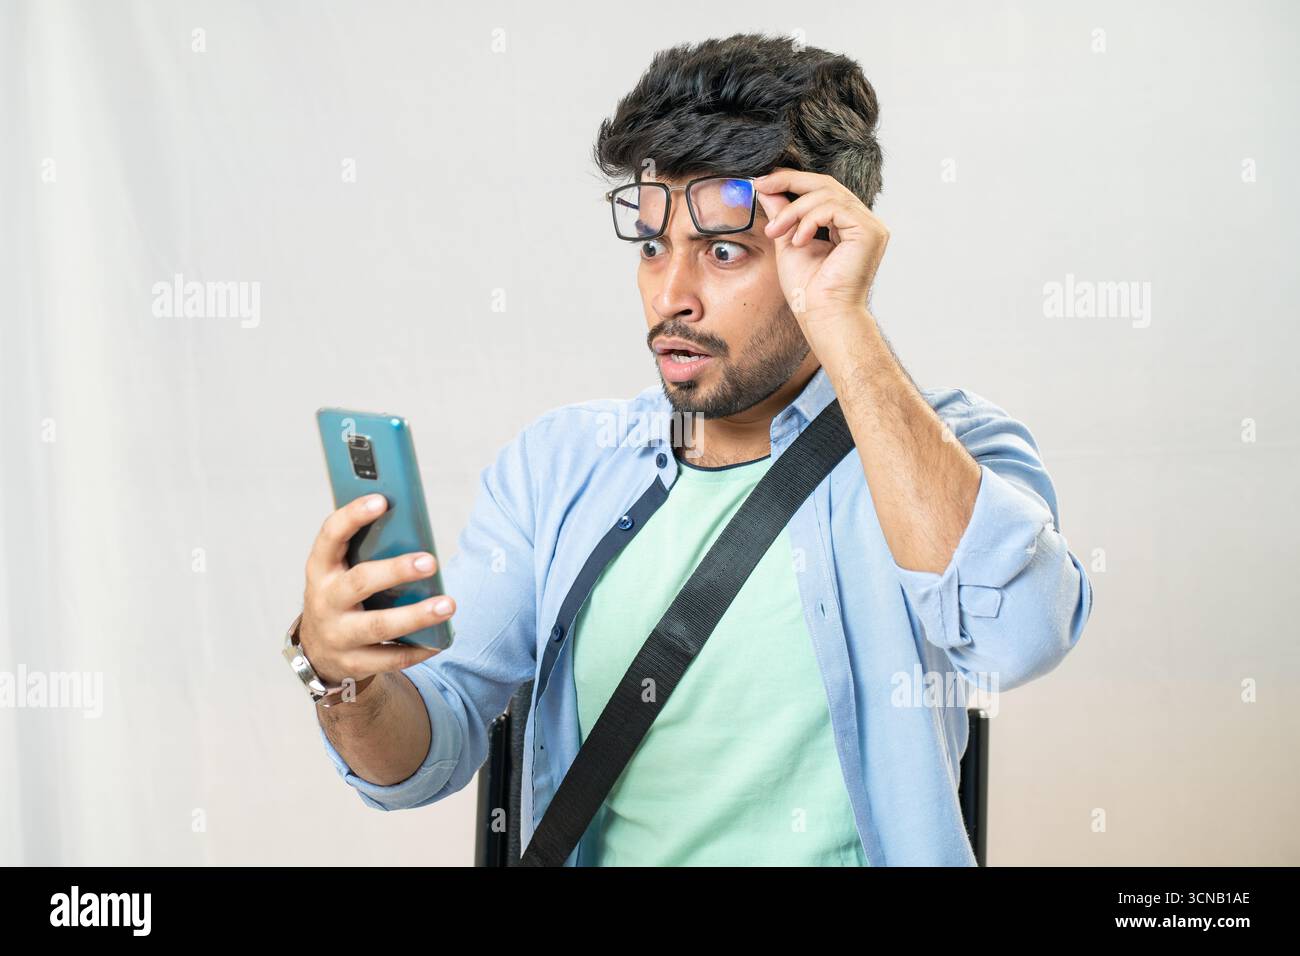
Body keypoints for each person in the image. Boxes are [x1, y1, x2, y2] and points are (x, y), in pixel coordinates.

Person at [287, 32, 1093, 866]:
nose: (671, 296)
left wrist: (845, 323)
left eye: (722, 251)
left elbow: (1020, 638)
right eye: (650, 245)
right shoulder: (559, 466)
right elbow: (432, 746)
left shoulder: (950, 448)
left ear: (826, 242)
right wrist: (342, 679)